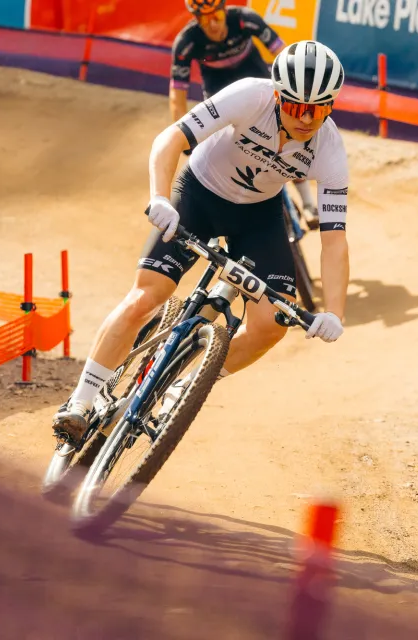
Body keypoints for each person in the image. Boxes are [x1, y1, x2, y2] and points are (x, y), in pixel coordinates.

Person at [53, 40, 350, 440]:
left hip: (258, 216)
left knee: (271, 326)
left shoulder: (329, 148)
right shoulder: (250, 96)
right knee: (147, 295)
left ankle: (184, 385)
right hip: (200, 193)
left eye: (319, 109)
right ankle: (81, 400)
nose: (307, 119)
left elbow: (334, 240)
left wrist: (335, 312)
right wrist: (160, 197)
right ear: (278, 95)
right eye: (297, 107)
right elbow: (171, 138)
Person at [169, 0, 320, 228]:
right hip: (222, 100)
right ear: (195, 19)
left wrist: (298, 94)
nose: (212, 25)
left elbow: (286, 56)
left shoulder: (245, 19)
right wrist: (187, 143)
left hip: (260, 88)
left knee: (288, 137)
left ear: (224, 10)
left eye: (216, 17)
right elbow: (177, 98)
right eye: (204, 19)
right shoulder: (186, 42)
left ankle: (308, 203)